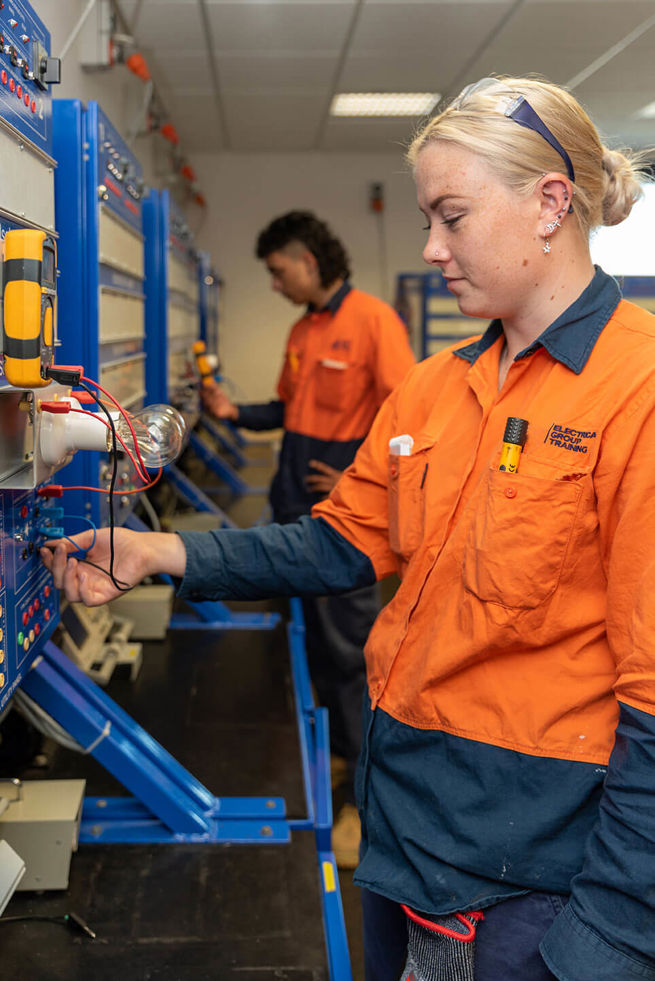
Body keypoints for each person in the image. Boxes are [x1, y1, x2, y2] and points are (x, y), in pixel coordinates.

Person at [42, 75, 655, 981]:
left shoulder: (635, 390)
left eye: (450, 216)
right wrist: (156, 549)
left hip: (534, 874)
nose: (431, 248)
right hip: (404, 831)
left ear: (549, 203)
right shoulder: (437, 387)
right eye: (424, 220)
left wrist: (605, 943)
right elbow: (337, 540)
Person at [199, 210, 416, 867]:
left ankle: (367, 802)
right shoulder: (302, 328)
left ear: (307, 261)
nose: (273, 283)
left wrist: (354, 459)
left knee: (352, 654)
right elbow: (289, 413)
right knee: (318, 647)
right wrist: (236, 413)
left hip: (342, 509)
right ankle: (342, 757)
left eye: (276, 270)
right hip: (295, 500)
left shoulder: (373, 319)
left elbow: (407, 414)